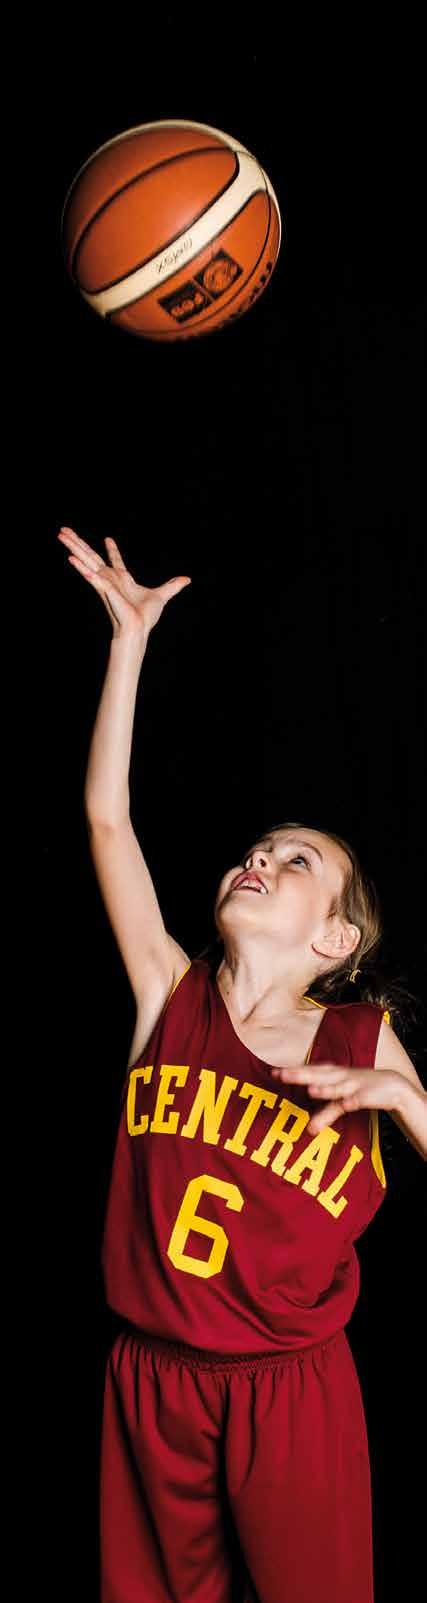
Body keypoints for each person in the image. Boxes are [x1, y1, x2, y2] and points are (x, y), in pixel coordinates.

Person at [58, 525, 427, 1603]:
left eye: (294, 860)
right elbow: (106, 818)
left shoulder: (359, 1043)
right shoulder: (166, 995)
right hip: (151, 1373)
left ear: (335, 939)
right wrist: (128, 645)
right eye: (256, 849)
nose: (259, 858)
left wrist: (407, 1097)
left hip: (289, 1387)